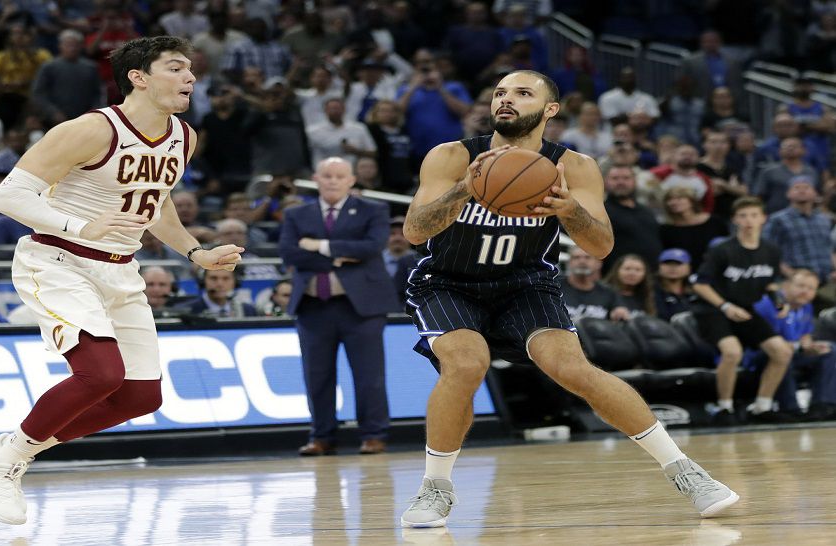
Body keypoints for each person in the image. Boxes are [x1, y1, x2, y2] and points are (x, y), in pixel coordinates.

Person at [399, 70, 737, 528]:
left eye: (522, 93)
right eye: (500, 93)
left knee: (574, 369)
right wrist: (465, 188)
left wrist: (568, 209)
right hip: (448, 281)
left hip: (525, 283)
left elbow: (601, 247)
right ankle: (434, 488)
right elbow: (415, 231)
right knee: (466, 363)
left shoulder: (574, 167)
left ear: (550, 109)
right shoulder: (452, 156)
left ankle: (686, 472)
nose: (506, 100)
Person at [0, 36, 244, 526]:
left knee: (140, 396)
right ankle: (3, 466)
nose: (190, 78)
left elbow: (156, 203)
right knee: (102, 374)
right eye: (176, 69)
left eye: (191, 70)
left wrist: (196, 251)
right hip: (58, 260)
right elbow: (7, 196)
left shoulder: (185, 137)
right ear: (139, 77)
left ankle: (11, 444)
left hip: (120, 267)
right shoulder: (91, 129)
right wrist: (77, 225)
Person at [279, 156, 399, 457]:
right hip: (312, 307)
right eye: (327, 175)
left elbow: (372, 247)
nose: (333, 180)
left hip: (361, 307)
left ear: (351, 180)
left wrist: (319, 246)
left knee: (369, 375)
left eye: (339, 175)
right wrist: (343, 254)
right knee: (317, 376)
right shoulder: (297, 214)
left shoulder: (375, 210)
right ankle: (321, 436)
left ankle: (373, 434)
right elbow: (290, 254)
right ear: (316, 179)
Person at [691, 197, 793, 426]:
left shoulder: (771, 250)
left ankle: (762, 406)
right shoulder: (722, 250)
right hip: (714, 309)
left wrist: (779, 301)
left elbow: (770, 283)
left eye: (754, 215)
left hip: (745, 309)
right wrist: (725, 306)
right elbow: (700, 283)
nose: (749, 220)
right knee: (732, 352)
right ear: (735, 219)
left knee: (782, 351)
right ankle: (724, 408)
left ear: (763, 219)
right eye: (744, 215)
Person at [751, 269, 836, 421]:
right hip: (761, 355)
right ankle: (790, 408)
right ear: (785, 285)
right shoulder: (769, 304)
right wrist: (798, 347)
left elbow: (805, 335)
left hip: (793, 352)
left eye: (811, 288)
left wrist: (810, 347)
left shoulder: (806, 307)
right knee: (782, 354)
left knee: (829, 349)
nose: (805, 291)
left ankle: (823, 405)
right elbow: (763, 339)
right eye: (801, 286)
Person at [762, 178, 833, 281]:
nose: (802, 190)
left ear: (815, 193)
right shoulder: (777, 219)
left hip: (826, 280)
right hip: (794, 281)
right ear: (788, 194)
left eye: (806, 187)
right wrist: (791, 274)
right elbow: (766, 251)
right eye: (796, 188)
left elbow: (829, 249)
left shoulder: (824, 220)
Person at [561, 246, 629, 322]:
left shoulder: (609, 292)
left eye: (587, 257)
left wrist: (619, 313)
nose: (582, 261)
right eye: (576, 257)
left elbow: (620, 312)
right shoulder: (554, 286)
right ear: (569, 262)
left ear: (598, 263)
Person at [179, 268, 257, 318]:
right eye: (213, 278)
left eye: (226, 279)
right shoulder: (186, 311)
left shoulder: (248, 310)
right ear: (203, 281)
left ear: (235, 282)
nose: (220, 284)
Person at [654, 248, 695, 321]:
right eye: (667, 263)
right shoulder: (651, 291)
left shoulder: (696, 292)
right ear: (659, 267)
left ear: (689, 268)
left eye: (678, 263)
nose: (672, 268)